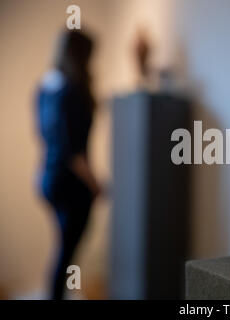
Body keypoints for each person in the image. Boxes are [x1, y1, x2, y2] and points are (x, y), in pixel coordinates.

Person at [35, 30, 100, 299]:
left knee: (63, 249)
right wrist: (96, 184)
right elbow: (74, 152)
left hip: (47, 177)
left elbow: (46, 135)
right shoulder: (72, 91)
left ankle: (57, 292)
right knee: (66, 253)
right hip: (70, 183)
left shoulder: (45, 88)